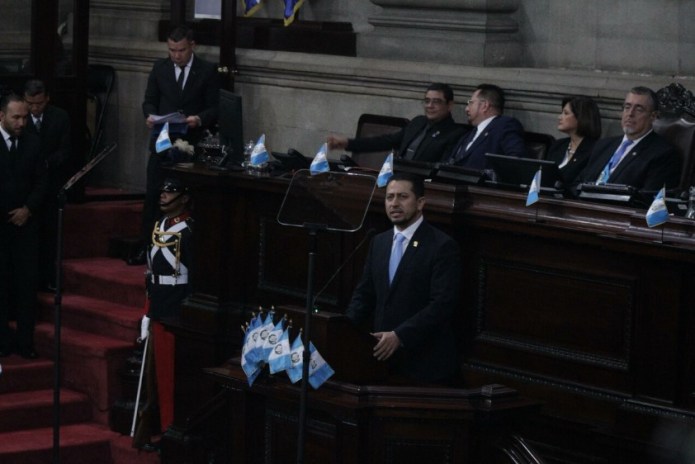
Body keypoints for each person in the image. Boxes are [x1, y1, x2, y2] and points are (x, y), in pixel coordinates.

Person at [346, 172, 461, 384]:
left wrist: (400, 336)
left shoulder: (441, 246)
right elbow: (364, 294)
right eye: (390, 197)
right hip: (381, 359)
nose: (394, 203)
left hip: (424, 364)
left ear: (420, 203)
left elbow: (442, 305)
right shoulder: (379, 242)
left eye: (402, 197)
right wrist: (344, 330)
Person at [130, 24, 219, 265]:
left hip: (192, 142)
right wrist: (149, 116)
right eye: (171, 50)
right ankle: (146, 246)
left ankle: (186, 249)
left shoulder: (207, 71)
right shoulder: (160, 68)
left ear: (192, 46)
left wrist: (198, 119)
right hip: (162, 140)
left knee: (186, 195)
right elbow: (149, 102)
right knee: (153, 195)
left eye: (180, 50)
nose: (176, 55)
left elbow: (215, 107)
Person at [134, 177, 193, 451]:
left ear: (184, 198)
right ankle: (161, 428)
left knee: (170, 378)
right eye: (163, 190)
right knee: (156, 379)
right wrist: (147, 312)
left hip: (175, 309)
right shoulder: (160, 225)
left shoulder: (190, 229)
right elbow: (151, 273)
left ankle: (170, 431)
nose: (164, 196)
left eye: (171, 192)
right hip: (158, 305)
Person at [0, 93, 47, 359]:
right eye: (16, 117)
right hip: (0, 226)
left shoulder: (33, 143)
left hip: (26, 226)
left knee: (26, 285)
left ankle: (26, 343)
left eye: (25, 117)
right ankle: (3, 341)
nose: (21, 123)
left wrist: (27, 209)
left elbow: (42, 182)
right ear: (1, 116)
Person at [573, 86, 681, 193]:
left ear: (653, 116)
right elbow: (579, 182)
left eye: (639, 109)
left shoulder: (663, 154)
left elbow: (648, 199)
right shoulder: (603, 145)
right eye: (627, 107)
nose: (630, 114)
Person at [326, 83, 465, 164]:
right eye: (427, 101)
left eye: (436, 101)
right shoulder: (418, 122)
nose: (429, 106)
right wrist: (348, 143)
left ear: (450, 105)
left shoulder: (454, 134)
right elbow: (385, 141)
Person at [23, 79, 72, 291]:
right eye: (30, 103)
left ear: (47, 99)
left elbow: (66, 150)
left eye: (39, 104)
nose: (34, 108)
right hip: (27, 185)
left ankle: (50, 279)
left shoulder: (60, 117)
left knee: (51, 235)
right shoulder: (19, 117)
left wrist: (46, 163)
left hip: (51, 182)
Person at [444, 83, 527, 169]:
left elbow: (516, 161)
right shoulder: (468, 135)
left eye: (471, 103)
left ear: (484, 106)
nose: (466, 109)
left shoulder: (505, 126)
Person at [546, 95, 602, 186]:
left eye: (566, 113)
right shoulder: (558, 145)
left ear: (581, 117)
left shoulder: (595, 150)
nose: (559, 117)